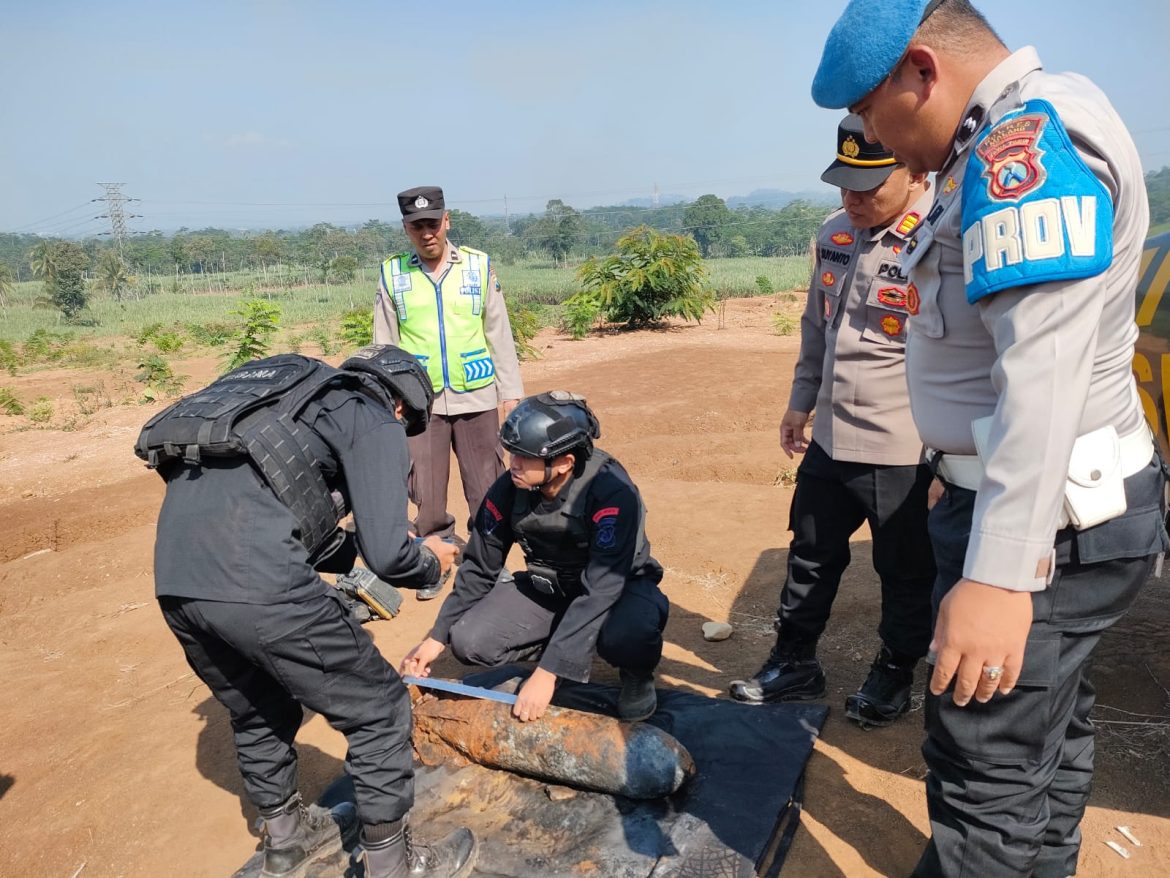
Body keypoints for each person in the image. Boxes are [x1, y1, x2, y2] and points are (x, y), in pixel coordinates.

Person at [812, 1, 1168, 874]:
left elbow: (1040, 374)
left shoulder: (1026, 149)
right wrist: (956, 465)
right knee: (1045, 738)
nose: (877, 141)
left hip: (1048, 529)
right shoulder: (1013, 131)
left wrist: (1001, 572)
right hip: (1039, 500)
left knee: (984, 776)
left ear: (922, 72)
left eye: (871, 114)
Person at [137, 345, 474, 878]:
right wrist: (431, 564)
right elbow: (390, 555)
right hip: (263, 586)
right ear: (402, 407)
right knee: (380, 708)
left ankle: (286, 842)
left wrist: (363, 549)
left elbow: (310, 533)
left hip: (178, 583)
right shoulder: (372, 415)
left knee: (258, 707)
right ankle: (394, 865)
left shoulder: (286, 407)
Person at [729, 115, 936, 728]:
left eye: (869, 185)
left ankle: (895, 671)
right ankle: (794, 660)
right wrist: (801, 400)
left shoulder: (940, 238)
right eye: (844, 184)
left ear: (914, 170)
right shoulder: (834, 235)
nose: (852, 198)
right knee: (811, 554)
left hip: (906, 448)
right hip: (833, 437)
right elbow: (817, 327)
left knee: (904, 571)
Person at [400, 391, 670, 723]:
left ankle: (636, 674)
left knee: (628, 635)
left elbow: (602, 589)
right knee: (469, 639)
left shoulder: (612, 492)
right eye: (512, 453)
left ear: (564, 463)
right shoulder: (510, 488)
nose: (512, 463)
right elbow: (480, 567)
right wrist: (435, 637)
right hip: (552, 587)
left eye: (525, 457)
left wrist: (548, 673)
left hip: (616, 590)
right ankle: (566, 650)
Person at [375, 185, 524, 601]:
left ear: (447, 221)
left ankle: (488, 564)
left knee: (487, 485)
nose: (427, 233)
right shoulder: (393, 274)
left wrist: (510, 393)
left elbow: (500, 334)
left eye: (433, 223)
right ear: (405, 228)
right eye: (417, 225)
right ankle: (435, 560)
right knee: (426, 489)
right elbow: (384, 344)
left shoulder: (478, 267)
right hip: (419, 404)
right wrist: (390, 399)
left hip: (476, 395)